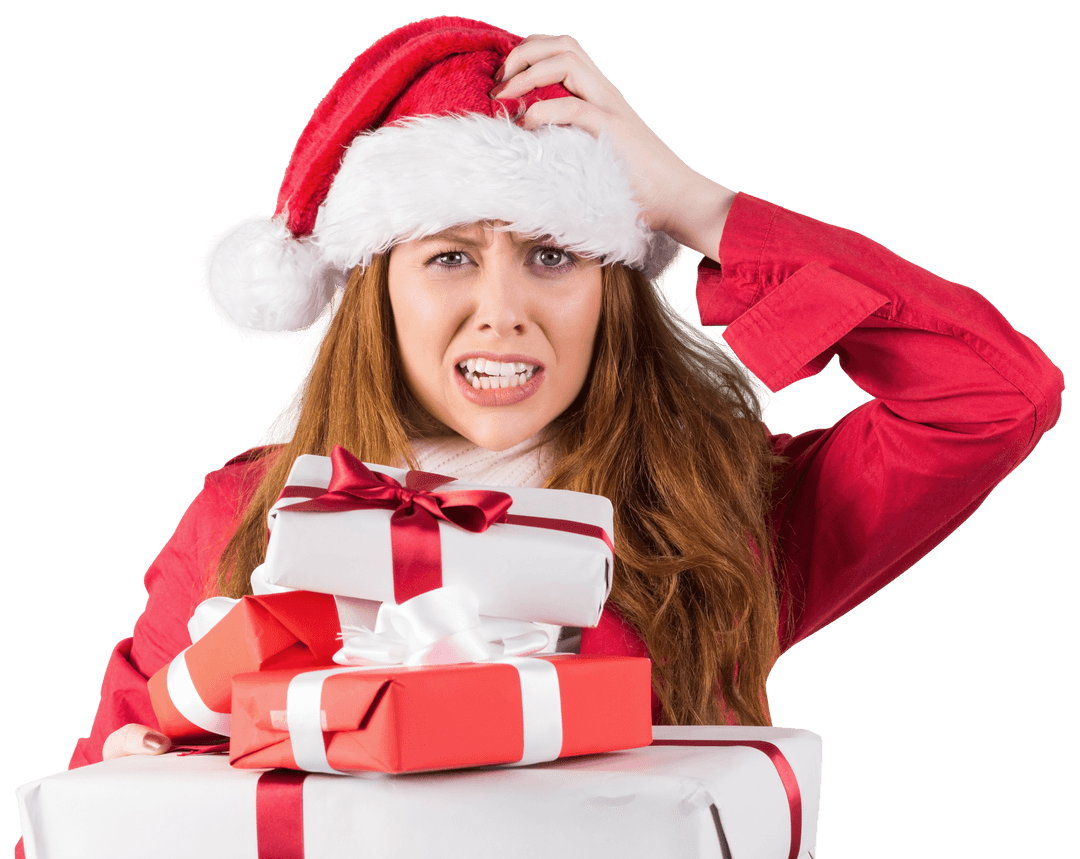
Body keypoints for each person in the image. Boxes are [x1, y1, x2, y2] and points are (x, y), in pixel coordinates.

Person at [13, 14, 1064, 856]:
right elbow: (82, 808)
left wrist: (700, 206)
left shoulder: (713, 512)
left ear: (612, 290)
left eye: (555, 255)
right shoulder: (245, 517)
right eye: (451, 257)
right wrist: (146, 776)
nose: (504, 310)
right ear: (373, 293)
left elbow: (995, 393)